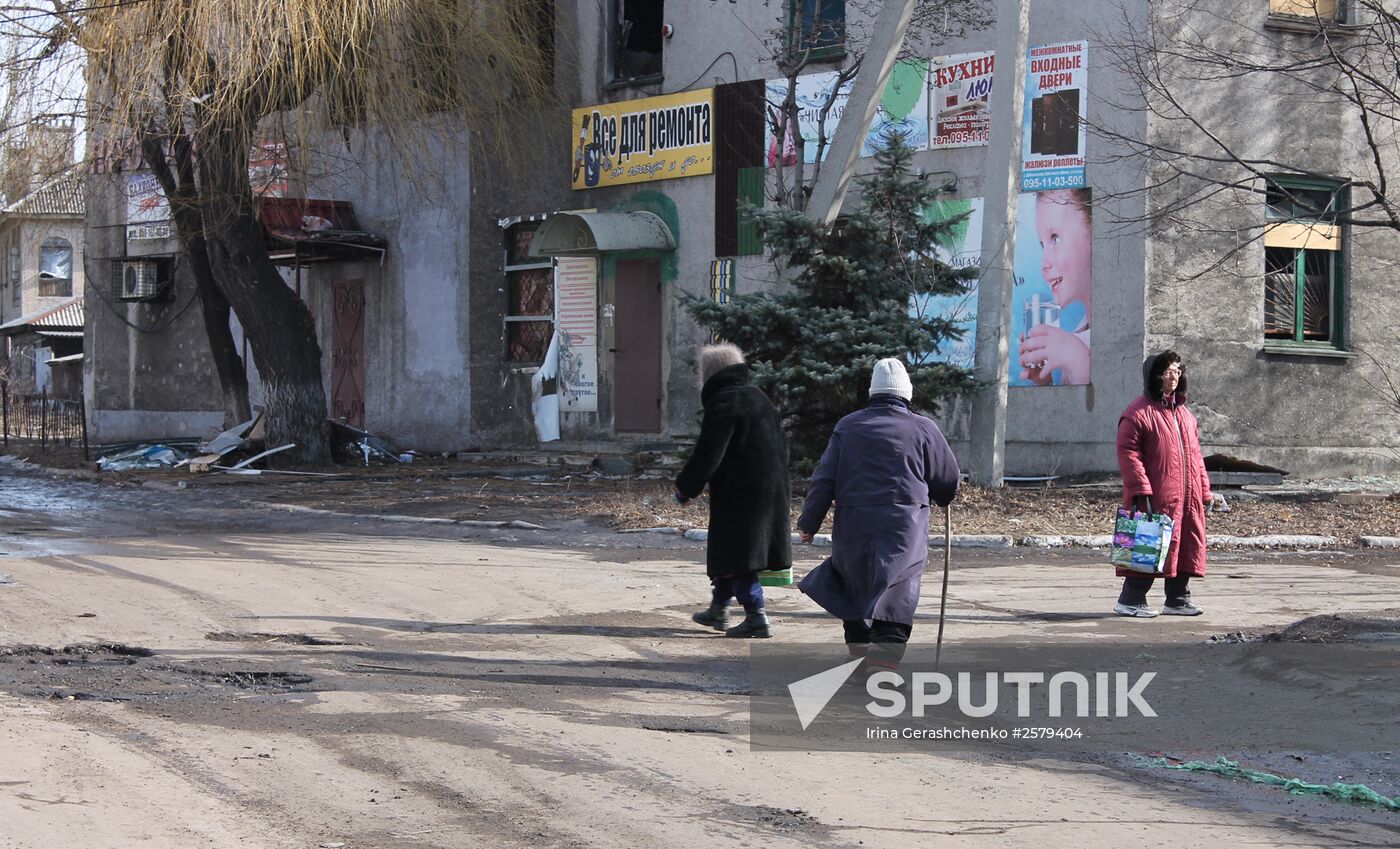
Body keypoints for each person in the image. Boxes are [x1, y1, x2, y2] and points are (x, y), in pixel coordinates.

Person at [795, 358, 960, 662]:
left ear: (873, 392)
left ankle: (859, 666)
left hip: (854, 527)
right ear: (906, 393)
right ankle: (883, 672)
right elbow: (948, 481)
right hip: (903, 530)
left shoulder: (848, 426)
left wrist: (809, 522)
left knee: (856, 592)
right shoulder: (924, 428)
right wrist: (943, 495)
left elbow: (824, 478)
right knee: (897, 596)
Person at [675, 344, 792, 638]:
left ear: (710, 374)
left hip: (741, 494)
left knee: (738, 555)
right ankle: (719, 608)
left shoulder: (725, 401)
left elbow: (709, 453)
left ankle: (757, 616)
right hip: (771, 489)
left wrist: (685, 488)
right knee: (731, 552)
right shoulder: (759, 397)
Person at [1114, 351, 1211, 617]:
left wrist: (1204, 491)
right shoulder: (1138, 413)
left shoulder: (1186, 415)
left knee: (1186, 545)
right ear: (1154, 376)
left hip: (1187, 497)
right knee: (1147, 544)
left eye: (1178, 371)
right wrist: (1140, 490)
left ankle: (1177, 599)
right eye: (1168, 371)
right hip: (1155, 495)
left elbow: (1196, 456)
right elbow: (1128, 453)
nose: (1174, 376)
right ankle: (1130, 600)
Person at [1018, 189, 1092, 386]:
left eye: (1055, 238)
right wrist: (1044, 381)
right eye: (1043, 244)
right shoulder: (1077, 335)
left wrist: (1079, 359)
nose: (1044, 263)